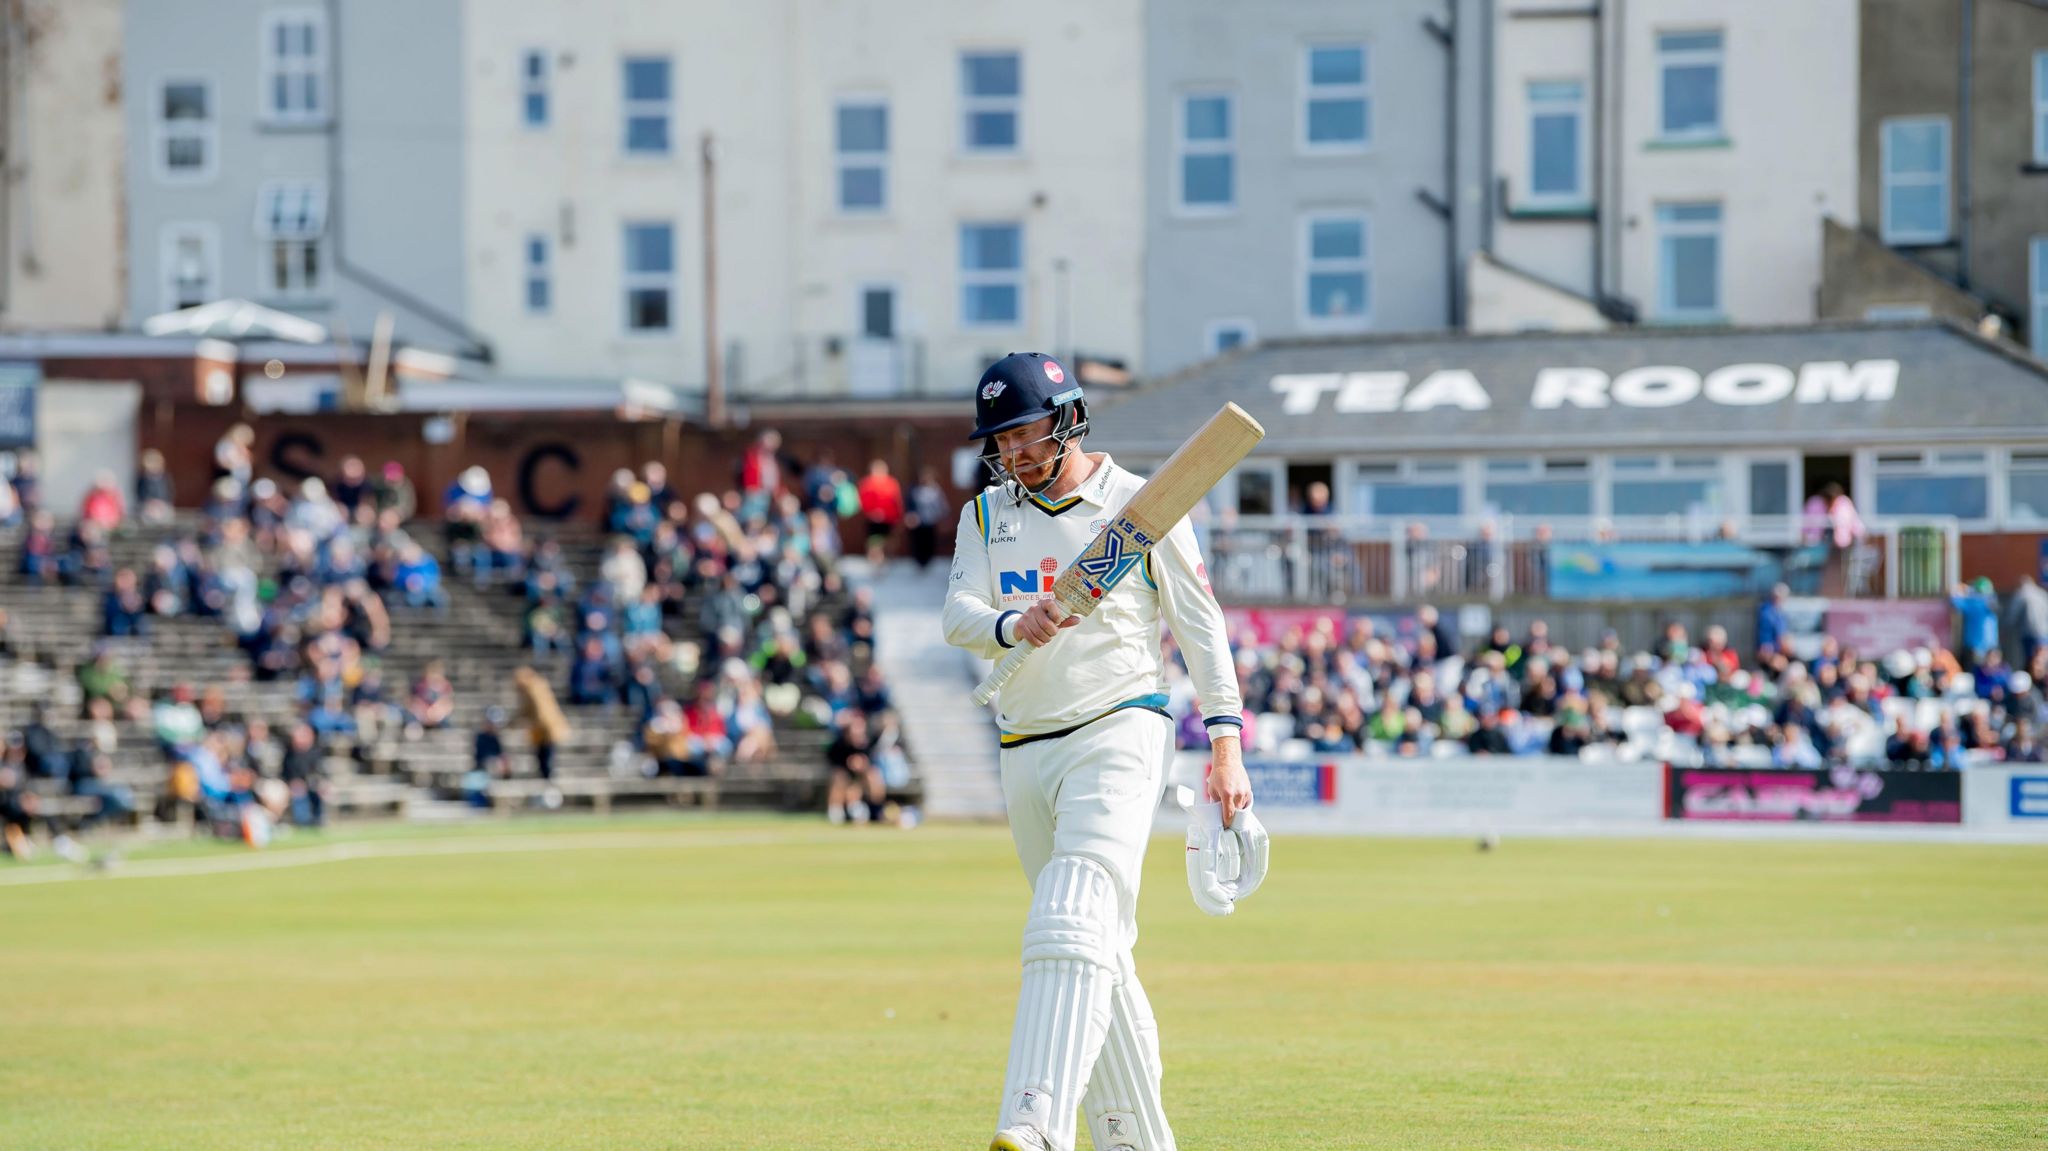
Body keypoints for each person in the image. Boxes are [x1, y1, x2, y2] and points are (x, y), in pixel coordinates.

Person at [941, 352, 1248, 1151]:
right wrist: (1016, 625)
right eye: (998, 439)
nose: (1011, 451)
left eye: (1023, 432)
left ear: (1068, 418)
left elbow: (1201, 625)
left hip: (1121, 722)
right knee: (1098, 948)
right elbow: (958, 616)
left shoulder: (1142, 506)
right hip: (1024, 740)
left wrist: (1225, 741)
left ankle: (1036, 1119)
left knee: (1070, 911)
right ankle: (1135, 1139)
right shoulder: (985, 516)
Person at [514, 666, 570, 782]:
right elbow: (525, 711)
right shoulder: (534, 688)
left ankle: (548, 782)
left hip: (545, 728)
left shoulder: (535, 688)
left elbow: (541, 712)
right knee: (542, 756)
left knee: (546, 757)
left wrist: (538, 727)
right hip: (542, 728)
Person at [857, 459, 904, 566]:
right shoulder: (867, 482)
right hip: (873, 518)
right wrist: (871, 512)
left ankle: (887, 560)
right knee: (874, 542)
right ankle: (876, 563)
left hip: (889, 518)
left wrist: (898, 517)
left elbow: (897, 501)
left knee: (889, 542)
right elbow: (862, 500)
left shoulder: (891, 482)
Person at [906, 467, 947, 569]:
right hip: (918, 521)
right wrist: (910, 515)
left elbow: (941, 505)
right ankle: (919, 561)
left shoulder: (935, 490)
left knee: (929, 542)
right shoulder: (914, 489)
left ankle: (928, 561)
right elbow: (909, 504)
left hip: (931, 521)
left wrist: (942, 517)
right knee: (918, 542)